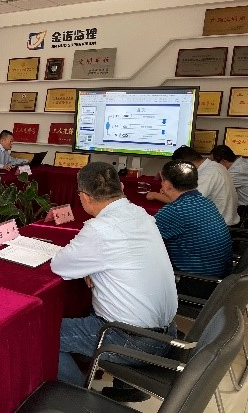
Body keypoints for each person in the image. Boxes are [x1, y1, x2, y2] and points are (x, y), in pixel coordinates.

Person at [51, 162, 177, 402]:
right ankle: (122, 385)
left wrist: (87, 266)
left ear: (84, 197)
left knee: (43, 334)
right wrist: (91, 267)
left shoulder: (100, 229)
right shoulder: (141, 214)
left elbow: (59, 265)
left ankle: (80, 399)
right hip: (166, 333)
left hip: (132, 340)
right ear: (122, 187)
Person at [154, 160, 232, 277]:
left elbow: (144, 238)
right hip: (221, 275)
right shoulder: (206, 202)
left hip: (196, 279)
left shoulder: (175, 210)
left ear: (168, 185)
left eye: (162, 180)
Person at [147, 145, 239, 226]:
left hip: (220, 224)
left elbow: (186, 202)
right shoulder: (213, 166)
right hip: (219, 218)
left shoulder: (209, 173)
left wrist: (155, 195)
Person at [211, 144, 248, 218]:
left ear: (223, 161)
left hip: (244, 210)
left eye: (214, 163)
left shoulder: (235, 172)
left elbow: (217, 189)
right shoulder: (242, 162)